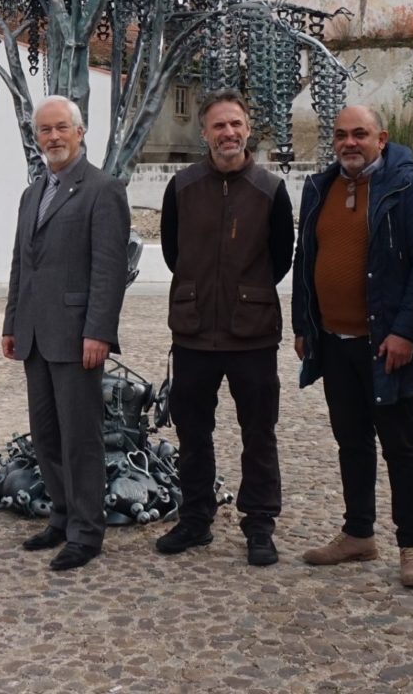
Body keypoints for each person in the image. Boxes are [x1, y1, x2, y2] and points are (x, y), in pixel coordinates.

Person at [292, 104, 413, 588]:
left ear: (382, 138)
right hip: (334, 342)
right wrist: (303, 324)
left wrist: (405, 331)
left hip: (386, 344)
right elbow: (305, 257)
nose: (349, 143)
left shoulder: (408, 189)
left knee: (400, 443)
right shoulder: (319, 189)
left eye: (360, 134)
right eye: (341, 135)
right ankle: (358, 533)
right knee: (351, 441)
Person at [152, 90, 293, 567]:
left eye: (235, 124)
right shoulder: (182, 187)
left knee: (259, 432)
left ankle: (260, 525)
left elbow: (280, 257)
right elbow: (173, 252)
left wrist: (244, 293)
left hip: (252, 332)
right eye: (218, 125)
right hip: (194, 331)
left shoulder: (270, 190)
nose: (228, 133)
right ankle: (195, 518)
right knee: (192, 432)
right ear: (204, 133)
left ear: (247, 129)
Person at [2, 95, 130, 571]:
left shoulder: (102, 189)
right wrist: (12, 322)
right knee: (47, 434)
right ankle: (61, 515)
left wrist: (99, 332)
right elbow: (21, 264)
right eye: (45, 130)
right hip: (35, 334)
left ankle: (86, 532)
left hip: (78, 337)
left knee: (80, 438)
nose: (53, 137)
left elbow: (108, 270)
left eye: (61, 128)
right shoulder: (33, 192)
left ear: (80, 132)